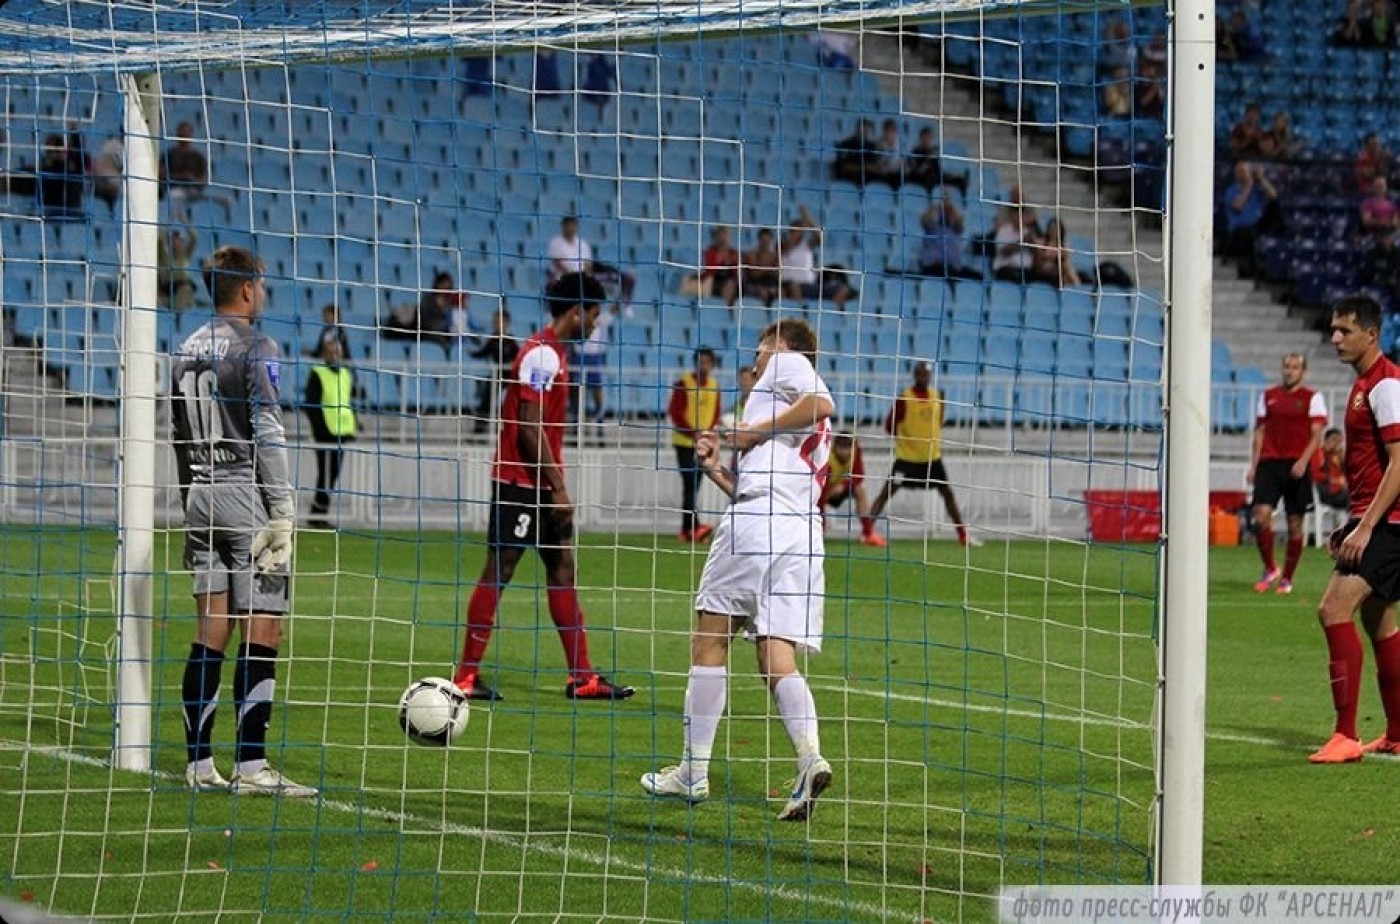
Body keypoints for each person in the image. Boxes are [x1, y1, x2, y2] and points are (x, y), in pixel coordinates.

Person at [641, 318, 837, 821]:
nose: (756, 359)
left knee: (710, 640)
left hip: (758, 527)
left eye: (761, 348)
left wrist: (749, 431)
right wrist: (716, 469)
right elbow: (757, 486)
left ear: (783, 346)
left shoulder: (787, 365)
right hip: (800, 534)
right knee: (776, 656)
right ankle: (810, 758)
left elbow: (823, 403)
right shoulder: (786, 412)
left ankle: (692, 771)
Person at [170, 244, 315, 796]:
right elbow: (267, 429)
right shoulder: (256, 345)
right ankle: (252, 767)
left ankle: (199, 765)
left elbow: (178, 433)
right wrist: (282, 509)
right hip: (243, 494)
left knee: (210, 630)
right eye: (263, 283)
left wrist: (189, 501)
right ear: (249, 287)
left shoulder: (185, 348)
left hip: (200, 494)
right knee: (264, 627)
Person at [451, 273, 634, 702]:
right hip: (519, 482)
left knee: (563, 567)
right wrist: (558, 487)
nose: (596, 322)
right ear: (577, 311)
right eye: (594, 314)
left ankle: (583, 677)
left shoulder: (554, 353)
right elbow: (529, 430)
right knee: (500, 570)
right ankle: (465, 677)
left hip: (540, 484)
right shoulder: (541, 355)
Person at [1307, 294, 1400, 763]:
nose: (1335, 338)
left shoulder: (1385, 385)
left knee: (1333, 608)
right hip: (1379, 520)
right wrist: (1353, 524)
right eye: (1333, 329)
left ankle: (1345, 735)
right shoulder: (1365, 384)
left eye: (1345, 330)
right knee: (1378, 617)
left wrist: (1364, 528)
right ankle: (1397, 732)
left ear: (1372, 334)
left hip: (1391, 525)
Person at [868, 362, 980, 547]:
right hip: (907, 459)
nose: (923, 378)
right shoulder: (904, 398)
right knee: (886, 492)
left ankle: (962, 535)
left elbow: (938, 422)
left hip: (931, 459)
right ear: (914, 375)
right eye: (920, 374)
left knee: (947, 494)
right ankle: (867, 532)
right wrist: (907, 440)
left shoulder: (937, 397)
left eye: (926, 374)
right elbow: (889, 425)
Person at [1248, 352, 1329, 595]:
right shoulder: (1268, 396)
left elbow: (1317, 434)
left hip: (1296, 465)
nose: (1289, 371)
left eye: (1295, 367)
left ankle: (1287, 578)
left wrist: (1304, 461)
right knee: (1261, 516)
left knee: (1295, 524)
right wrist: (1253, 465)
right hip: (1270, 463)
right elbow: (1260, 432)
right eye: (1286, 366)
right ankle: (1270, 568)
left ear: (1303, 371)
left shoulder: (1312, 398)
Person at [668, 347, 722, 543]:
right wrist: (693, 433)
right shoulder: (683, 383)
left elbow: (715, 413)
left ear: (712, 364)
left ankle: (686, 529)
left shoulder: (714, 386)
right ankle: (695, 527)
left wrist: (708, 434)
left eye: (707, 362)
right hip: (684, 443)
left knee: (693, 486)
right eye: (700, 362)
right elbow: (675, 412)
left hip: (704, 444)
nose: (703, 365)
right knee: (690, 483)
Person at [303, 338, 358, 529]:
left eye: (337, 352)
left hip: (342, 432)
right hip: (325, 433)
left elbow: (347, 401)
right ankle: (317, 513)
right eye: (331, 352)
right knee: (326, 473)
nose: (335, 356)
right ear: (324, 354)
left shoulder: (345, 374)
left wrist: (353, 424)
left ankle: (318, 513)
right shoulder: (318, 373)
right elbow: (311, 404)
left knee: (333, 473)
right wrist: (319, 429)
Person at [547, 215, 635, 305]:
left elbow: (588, 264)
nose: (571, 228)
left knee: (624, 281)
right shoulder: (556, 242)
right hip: (564, 278)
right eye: (568, 225)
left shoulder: (582, 243)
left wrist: (586, 277)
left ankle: (620, 306)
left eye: (573, 225)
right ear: (563, 226)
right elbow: (558, 263)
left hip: (583, 278)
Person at [779, 206, 852, 310]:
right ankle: (801, 311)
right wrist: (794, 237)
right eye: (796, 230)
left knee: (842, 289)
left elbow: (819, 237)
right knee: (793, 287)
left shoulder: (806, 245)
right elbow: (783, 250)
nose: (799, 233)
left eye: (800, 231)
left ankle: (830, 312)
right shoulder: (783, 245)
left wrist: (808, 218)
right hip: (791, 285)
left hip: (811, 286)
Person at [820, 432, 886, 547]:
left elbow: (858, 476)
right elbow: (819, 488)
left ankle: (867, 533)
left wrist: (844, 485)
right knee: (820, 509)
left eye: (848, 447)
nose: (844, 451)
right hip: (823, 491)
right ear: (835, 447)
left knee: (860, 489)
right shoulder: (827, 457)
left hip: (840, 487)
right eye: (841, 447)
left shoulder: (855, 452)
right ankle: (819, 532)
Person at [1219, 160, 1279, 278]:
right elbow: (1237, 207)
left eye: (1244, 171)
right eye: (1239, 171)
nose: (1242, 174)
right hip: (1239, 229)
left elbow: (1273, 195)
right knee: (1249, 236)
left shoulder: (1257, 189)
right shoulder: (1231, 191)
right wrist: (1248, 187)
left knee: (1276, 209)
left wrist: (1261, 179)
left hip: (1258, 225)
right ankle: (1253, 271)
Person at [467, 306, 519, 434]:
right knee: (486, 399)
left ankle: (506, 430)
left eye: (499, 321)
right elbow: (483, 352)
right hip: (496, 375)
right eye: (495, 322)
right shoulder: (493, 339)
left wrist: (512, 363)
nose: (496, 324)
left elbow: (518, 357)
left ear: (506, 323)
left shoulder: (510, 340)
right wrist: (471, 353)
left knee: (509, 402)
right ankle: (479, 430)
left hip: (509, 376)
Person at [917, 198, 982, 280]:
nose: (946, 214)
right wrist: (936, 206)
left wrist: (949, 206)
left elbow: (959, 220)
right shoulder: (932, 227)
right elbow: (924, 219)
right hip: (934, 267)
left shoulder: (956, 230)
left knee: (978, 277)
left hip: (953, 269)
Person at [162, 121, 210, 221]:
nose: (184, 137)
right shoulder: (169, 155)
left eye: (186, 134)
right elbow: (161, 174)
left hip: (193, 192)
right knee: (174, 199)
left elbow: (203, 180)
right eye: (182, 134)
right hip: (173, 190)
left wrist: (191, 179)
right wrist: (180, 176)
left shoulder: (198, 157)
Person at [905, 126, 968, 196]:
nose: (927, 141)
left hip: (936, 177)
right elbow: (918, 171)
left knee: (960, 180)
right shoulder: (915, 153)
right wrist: (928, 159)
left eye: (929, 138)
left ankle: (963, 200)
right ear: (920, 139)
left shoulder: (934, 150)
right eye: (925, 138)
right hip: (921, 179)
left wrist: (950, 175)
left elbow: (938, 169)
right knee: (930, 181)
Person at [157, 226, 200, 310]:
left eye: (180, 240)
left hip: (183, 286)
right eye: (175, 240)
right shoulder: (164, 255)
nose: (178, 242)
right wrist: (167, 226)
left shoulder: (185, 254)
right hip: (169, 287)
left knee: (187, 289)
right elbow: (160, 239)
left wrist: (185, 222)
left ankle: (183, 306)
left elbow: (194, 238)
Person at [739, 228, 781, 307]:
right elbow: (754, 275)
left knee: (781, 292)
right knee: (763, 292)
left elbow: (778, 274)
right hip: (754, 284)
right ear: (759, 240)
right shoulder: (752, 255)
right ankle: (766, 312)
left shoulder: (775, 256)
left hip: (771, 283)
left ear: (771, 240)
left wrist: (763, 268)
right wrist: (769, 266)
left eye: (767, 241)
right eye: (763, 241)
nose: (765, 243)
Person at [700, 226, 740, 306]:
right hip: (714, 281)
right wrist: (720, 259)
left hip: (729, 281)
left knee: (730, 283)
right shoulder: (710, 251)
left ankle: (727, 308)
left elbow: (735, 273)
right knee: (708, 282)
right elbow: (709, 271)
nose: (723, 238)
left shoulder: (733, 253)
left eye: (725, 235)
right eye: (721, 235)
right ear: (716, 238)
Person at [1314, 427, 1350, 513]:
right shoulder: (1319, 454)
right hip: (1327, 492)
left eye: (1339, 441)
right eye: (1334, 440)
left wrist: (1342, 461)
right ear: (1326, 440)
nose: (1336, 443)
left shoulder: (1336, 456)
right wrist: (1335, 480)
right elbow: (1315, 475)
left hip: (1340, 490)